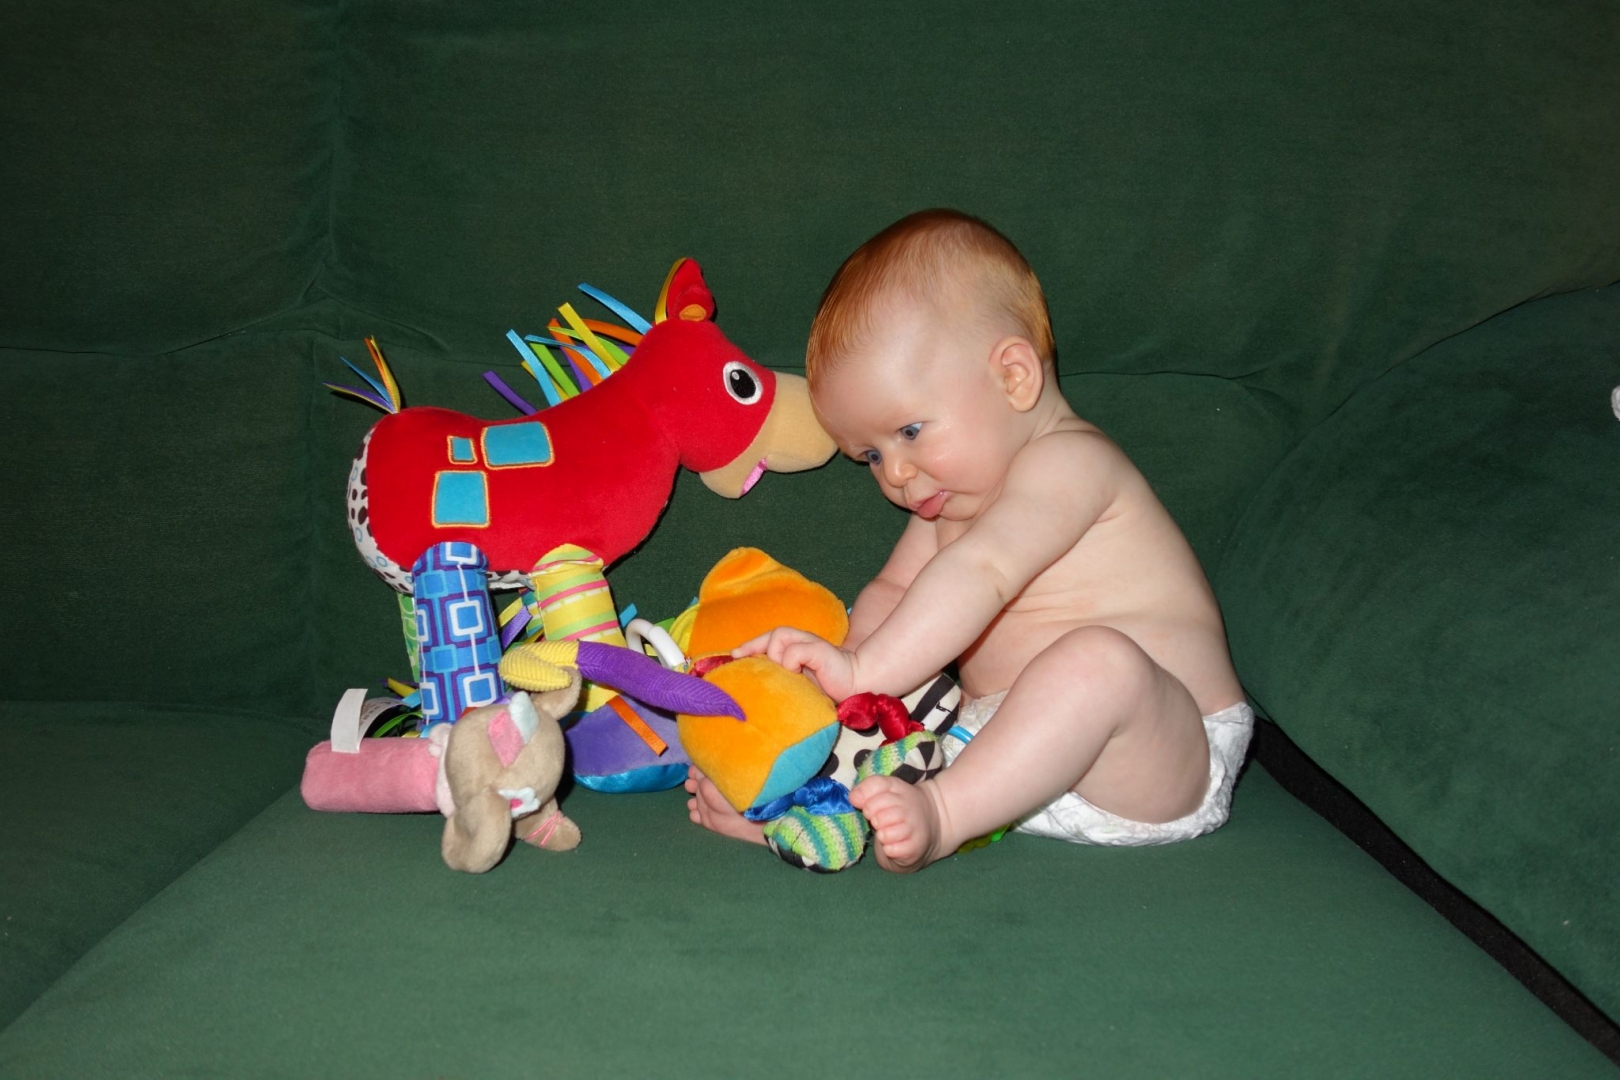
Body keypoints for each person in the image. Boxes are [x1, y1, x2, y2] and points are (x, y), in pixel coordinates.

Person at [685, 208, 1252, 871]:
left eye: (910, 432)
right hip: (1004, 755)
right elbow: (894, 590)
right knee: (894, 735)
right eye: (871, 456)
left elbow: (982, 571)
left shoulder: (1072, 463)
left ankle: (946, 815)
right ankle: (798, 819)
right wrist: (842, 681)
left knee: (1100, 663)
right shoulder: (944, 503)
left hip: (1160, 750)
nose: (895, 474)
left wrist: (866, 671)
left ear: (1014, 376)